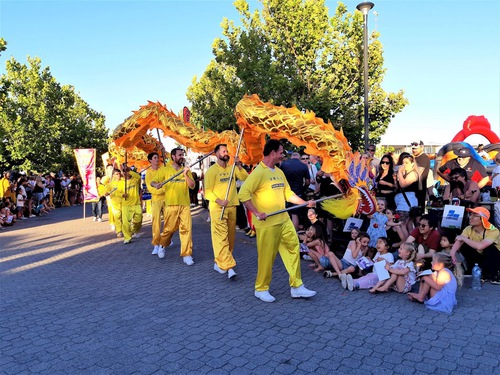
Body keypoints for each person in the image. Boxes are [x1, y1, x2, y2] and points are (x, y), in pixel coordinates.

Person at [238, 139, 316, 302]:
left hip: (284, 220)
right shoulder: (258, 173)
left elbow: (288, 194)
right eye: (281, 152)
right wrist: (257, 212)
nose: (283, 156)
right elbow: (243, 195)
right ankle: (261, 288)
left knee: (294, 247)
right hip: (267, 224)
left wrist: (304, 203)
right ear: (273, 153)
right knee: (267, 257)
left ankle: (297, 286)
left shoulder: (279, 172)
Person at [204, 144, 248, 279]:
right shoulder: (211, 171)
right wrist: (218, 201)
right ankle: (229, 267)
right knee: (221, 237)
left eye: (227, 151)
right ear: (216, 153)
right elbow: (207, 192)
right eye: (223, 151)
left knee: (230, 237)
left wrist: (239, 165)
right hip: (218, 209)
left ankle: (219, 261)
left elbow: (244, 177)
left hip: (232, 206)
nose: (226, 153)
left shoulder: (232, 168)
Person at [151, 148, 195, 266]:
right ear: (173, 157)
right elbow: (152, 182)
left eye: (183, 155)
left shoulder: (186, 170)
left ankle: (186, 254)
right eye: (180, 155)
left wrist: (185, 174)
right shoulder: (165, 170)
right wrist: (157, 184)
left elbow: (192, 185)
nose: (182, 157)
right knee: (169, 229)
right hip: (170, 205)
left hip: (184, 204)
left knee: (186, 230)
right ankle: (162, 244)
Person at [450, 207, 500, 284]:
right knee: (464, 246)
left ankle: (494, 274)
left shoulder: (493, 231)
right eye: (470, 215)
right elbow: (459, 241)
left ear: (483, 219)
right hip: (479, 255)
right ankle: (478, 270)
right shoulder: (468, 229)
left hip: (495, 258)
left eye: (474, 215)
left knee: (490, 248)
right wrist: (452, 254)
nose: (470, 217)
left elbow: (480, 246)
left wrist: (464, 239)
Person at [279, 152, 310, 230]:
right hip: (298, 192)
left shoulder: (284, 164)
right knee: (295, 214)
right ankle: (294, 233)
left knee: (283, 212)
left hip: (284, 192)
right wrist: (303, 189)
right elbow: (307, 182)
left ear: (291, 157)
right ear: (299, 158)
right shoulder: (304, 166)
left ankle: (283, 232)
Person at [145, 152, 167, 255]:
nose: (157, 159)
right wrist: (161, 190)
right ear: (150, 160)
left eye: (158, 157)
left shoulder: (163, 167)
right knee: (156, 223)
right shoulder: (148, 173)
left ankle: (167, 240)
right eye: (154, 158)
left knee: (169, 221)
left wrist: (163, 150)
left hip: (167, 198)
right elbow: (150, 187)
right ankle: (156, 244)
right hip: (156, 199)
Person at [395, 153, 420, 234]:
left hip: (406, 203)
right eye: (403, 163)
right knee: (409, 224)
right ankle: (410, 242)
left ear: (412, 164)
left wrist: (399, 172)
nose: (404, 165)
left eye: (406, 163)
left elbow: (404, 184)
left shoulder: (413, 174)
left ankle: (405, 242)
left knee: (402, 225)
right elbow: (398, 187)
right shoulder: (404, 174)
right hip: (403, 201)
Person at [119, 166, 143, 244]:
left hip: (136, 204)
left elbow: (139, 177)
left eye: (126, 171)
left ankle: (134, 230)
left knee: (138, 220)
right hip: (126, 205)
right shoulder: (121, 182)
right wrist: (122, 195)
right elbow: (117, 192)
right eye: (124, 171)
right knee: (126, 223)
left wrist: (129, 171)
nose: (125, 173)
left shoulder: (135, 180)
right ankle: (127, 237)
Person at [410, 141, 431, 209]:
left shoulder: (424, 158)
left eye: (416, 148)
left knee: (417, 213)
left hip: (419, 190)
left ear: (422, 147)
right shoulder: (414, 157)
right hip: (413, 190)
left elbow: (418, 172)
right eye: (413, 148)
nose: (414, 150)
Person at [104, 169, 124, 238]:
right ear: (113, 175)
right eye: (117, 174)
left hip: (125, 202)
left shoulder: (123, 182)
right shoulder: (110, 184)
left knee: (124, 217)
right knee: (117, 216)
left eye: (119, 174)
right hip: (115, 203)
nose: (119, 175)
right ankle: (119, 231)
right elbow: (105, 192)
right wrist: (107, 193)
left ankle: (125, 229)